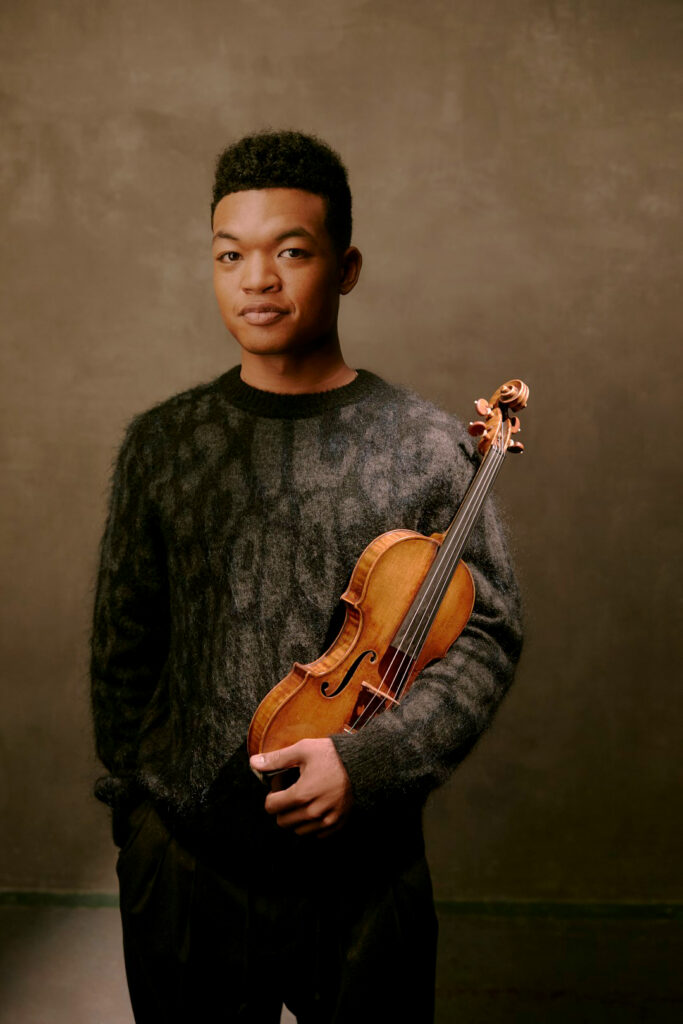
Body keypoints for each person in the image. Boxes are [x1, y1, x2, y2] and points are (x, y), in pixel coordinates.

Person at [91, 129, 522, 1023]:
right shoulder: (164, 443)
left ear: (346, 265)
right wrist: (139, 820)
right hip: (186, 869)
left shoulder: (428, 443)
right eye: (231, 255)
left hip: (366, 870)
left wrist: (368, 767)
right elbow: (124, 649)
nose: (258, 280)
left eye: (291, 252)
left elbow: (485, 634)